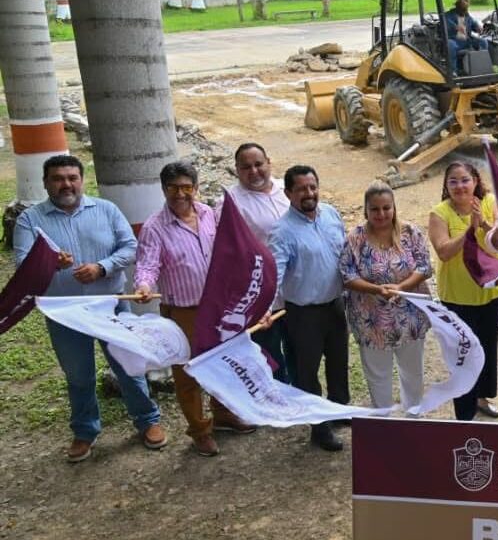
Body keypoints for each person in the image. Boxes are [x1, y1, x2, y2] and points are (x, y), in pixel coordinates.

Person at [14, 155, 166, 463]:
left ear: (82, 180)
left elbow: (130, 248)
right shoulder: (29, 220)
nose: (66, 184)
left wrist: (102, 267)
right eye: (58, 178)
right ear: (46, 183)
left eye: (72, 177)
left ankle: (147, 420)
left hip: (111, 304)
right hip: (65, 311)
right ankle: (85, 431)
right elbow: (22, 265)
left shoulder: (106, 210)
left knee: (128, 364)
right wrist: (49, 263)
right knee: (78, 374)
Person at [136, 161, 254, 457]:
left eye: (186, 187)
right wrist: (144, 285)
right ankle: (200, 431)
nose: (180, 194)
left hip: (218, 307)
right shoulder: (154, 227)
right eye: (173, 188)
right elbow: (148, 264)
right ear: (164, 190)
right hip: (183, 312)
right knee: (188, 375)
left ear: (196, 188)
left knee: (221, 363)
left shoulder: (209, 214)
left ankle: (224, 414)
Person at [270, 165, 349, 451]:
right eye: (302, 189)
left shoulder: (330, 214)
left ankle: (340, 410)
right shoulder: (281, 231)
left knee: (339, 363)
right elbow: (274, 274)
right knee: (308, 372)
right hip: (304, 314)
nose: (309, 194)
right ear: (288, 192)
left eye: (313, 187)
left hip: (336, 305)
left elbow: (346, 255)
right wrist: (266, 308)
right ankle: (320, 428)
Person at [339, 181, 432, 412]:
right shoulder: (355, 238)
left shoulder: (410, 232)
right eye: (374, 209)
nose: (381, 214)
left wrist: (401, 286)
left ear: (394, 207)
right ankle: (384, 426)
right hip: (371, 322)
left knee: (413, 374)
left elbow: (425, 266)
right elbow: (346, 274)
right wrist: (377, 289)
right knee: (378, 376)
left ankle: (414, 421)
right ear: (366, 210)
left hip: (410, 319)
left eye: (386, 208)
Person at [428, 161, 498, 421]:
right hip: (457, 298)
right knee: (462, 355)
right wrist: (469, 230)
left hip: (487, 292)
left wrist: (483, 223)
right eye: (453, 181)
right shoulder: (439, 214)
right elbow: (444, 251)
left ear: (475, 180)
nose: (460, 186)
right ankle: (464, 413)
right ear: (446, 186)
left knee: (486, 349)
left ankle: (482, 399)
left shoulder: (489, 202)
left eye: (465, 180)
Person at [222, 143, 294, 383]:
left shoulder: (288, 189)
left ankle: (301, 398)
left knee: (299, 349)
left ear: (269, 162)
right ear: (237, 170)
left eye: (258, 164)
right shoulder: (231, 203)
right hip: (260, 295)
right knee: (268, 353)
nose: (253, 171)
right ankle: (277, 403)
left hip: (296, 290)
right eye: (246, 167)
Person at [444, 0, 489, 73]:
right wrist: (456, 27)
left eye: (466, 8)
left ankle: (480, 67)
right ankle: (453, 71)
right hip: (454, 40)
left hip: (467, 41)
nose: (465, 11)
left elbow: (474, 24)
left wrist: (478, 28)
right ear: (457, 6)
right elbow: (446, 23)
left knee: (483, 41)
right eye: (463, 8)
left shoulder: (467, 16)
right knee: (450, 45)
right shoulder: (448, 15)